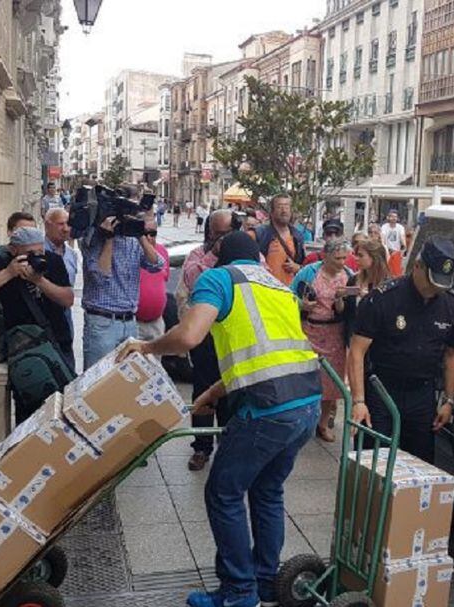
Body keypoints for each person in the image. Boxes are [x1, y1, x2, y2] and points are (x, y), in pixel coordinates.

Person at [116, 231, 321, 607]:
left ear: (218, 259)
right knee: (267, 490)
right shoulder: (279, 286)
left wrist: (145, 347)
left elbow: (190, 335)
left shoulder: (219, 278)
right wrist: (214, 392)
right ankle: (263, 581)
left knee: (224, 492)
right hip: (307, 402)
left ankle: (238, 592)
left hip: (268, 410)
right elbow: (269, 355)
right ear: (259, 258)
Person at [348, 237, 454, 464]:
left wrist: (449, 400)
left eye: (441, 285)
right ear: (418, 267)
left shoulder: (451, 305)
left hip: (422, 394)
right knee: (375, 463)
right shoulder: (383, 299)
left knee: (419, 462)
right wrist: (358, 401)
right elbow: (357, 351)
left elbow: (452, 354)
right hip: (381, 390)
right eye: (432, 282)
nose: (435, 289)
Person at [0, 227, 74, 420]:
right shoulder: (1, 264)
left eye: (39, 252)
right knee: (29, 414)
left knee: (66, 409)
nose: (36, 258)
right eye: (29, 254)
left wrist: (39, 281)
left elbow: (67, 299)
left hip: (57, 345)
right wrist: (8, 273)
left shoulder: (53, 262)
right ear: (13, 251)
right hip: (25, 353)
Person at [179, 209, 239, 470]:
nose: (222, 238)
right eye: (217, 233)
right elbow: (192, 278)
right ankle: (201, 447)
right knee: (204, 392)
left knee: (231, 392)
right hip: (205, 336)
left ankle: (228, 446)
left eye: (228, 233)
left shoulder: (246, 254)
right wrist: (215, 253)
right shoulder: (198, 255)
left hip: (234, 337)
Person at [80, 189, 164, 367]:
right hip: (102, 323)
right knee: (97, 381)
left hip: (130, 322)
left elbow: (156, 265)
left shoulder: (133, 242)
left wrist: (140, 235)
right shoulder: (94, 240)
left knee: (128, 382)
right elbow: (101, 277)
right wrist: (109, 239)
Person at [292, 238, 352, 442]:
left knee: (331, 382)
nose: (342, 262)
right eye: (337, 258)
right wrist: (302, 304)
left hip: (335, 333)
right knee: (304, 378)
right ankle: (300, 422)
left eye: (345, 258)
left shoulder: (348, 276)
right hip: (309, 330)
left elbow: (348, 310)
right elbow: (289, 297)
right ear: (325, 256)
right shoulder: (308, 272)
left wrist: (340, 300)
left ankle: (323, 423)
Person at [255, 194, 306, 286]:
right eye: (279, 207)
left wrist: (298, 268)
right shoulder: (261, 234)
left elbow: (304, 266)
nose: (284, 211)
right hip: (266, 289)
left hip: (289, 291)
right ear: (272, 212)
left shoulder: (297, 236)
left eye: (287, 207)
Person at [44, 208, 79, 338]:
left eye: (68, 224)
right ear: (47, 225)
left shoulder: (72, 254)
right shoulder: (38, 251)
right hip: (44, 318)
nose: (66, 229)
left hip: (65, 318)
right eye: (60, 224)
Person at [136, 218, 170, 340]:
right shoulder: (133, 251)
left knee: (155, 359)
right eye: (144, 234)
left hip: (156, 322)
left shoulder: (162, 251)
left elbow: (165, 279)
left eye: (152, 234)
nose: (148, 238)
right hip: (135, 322)